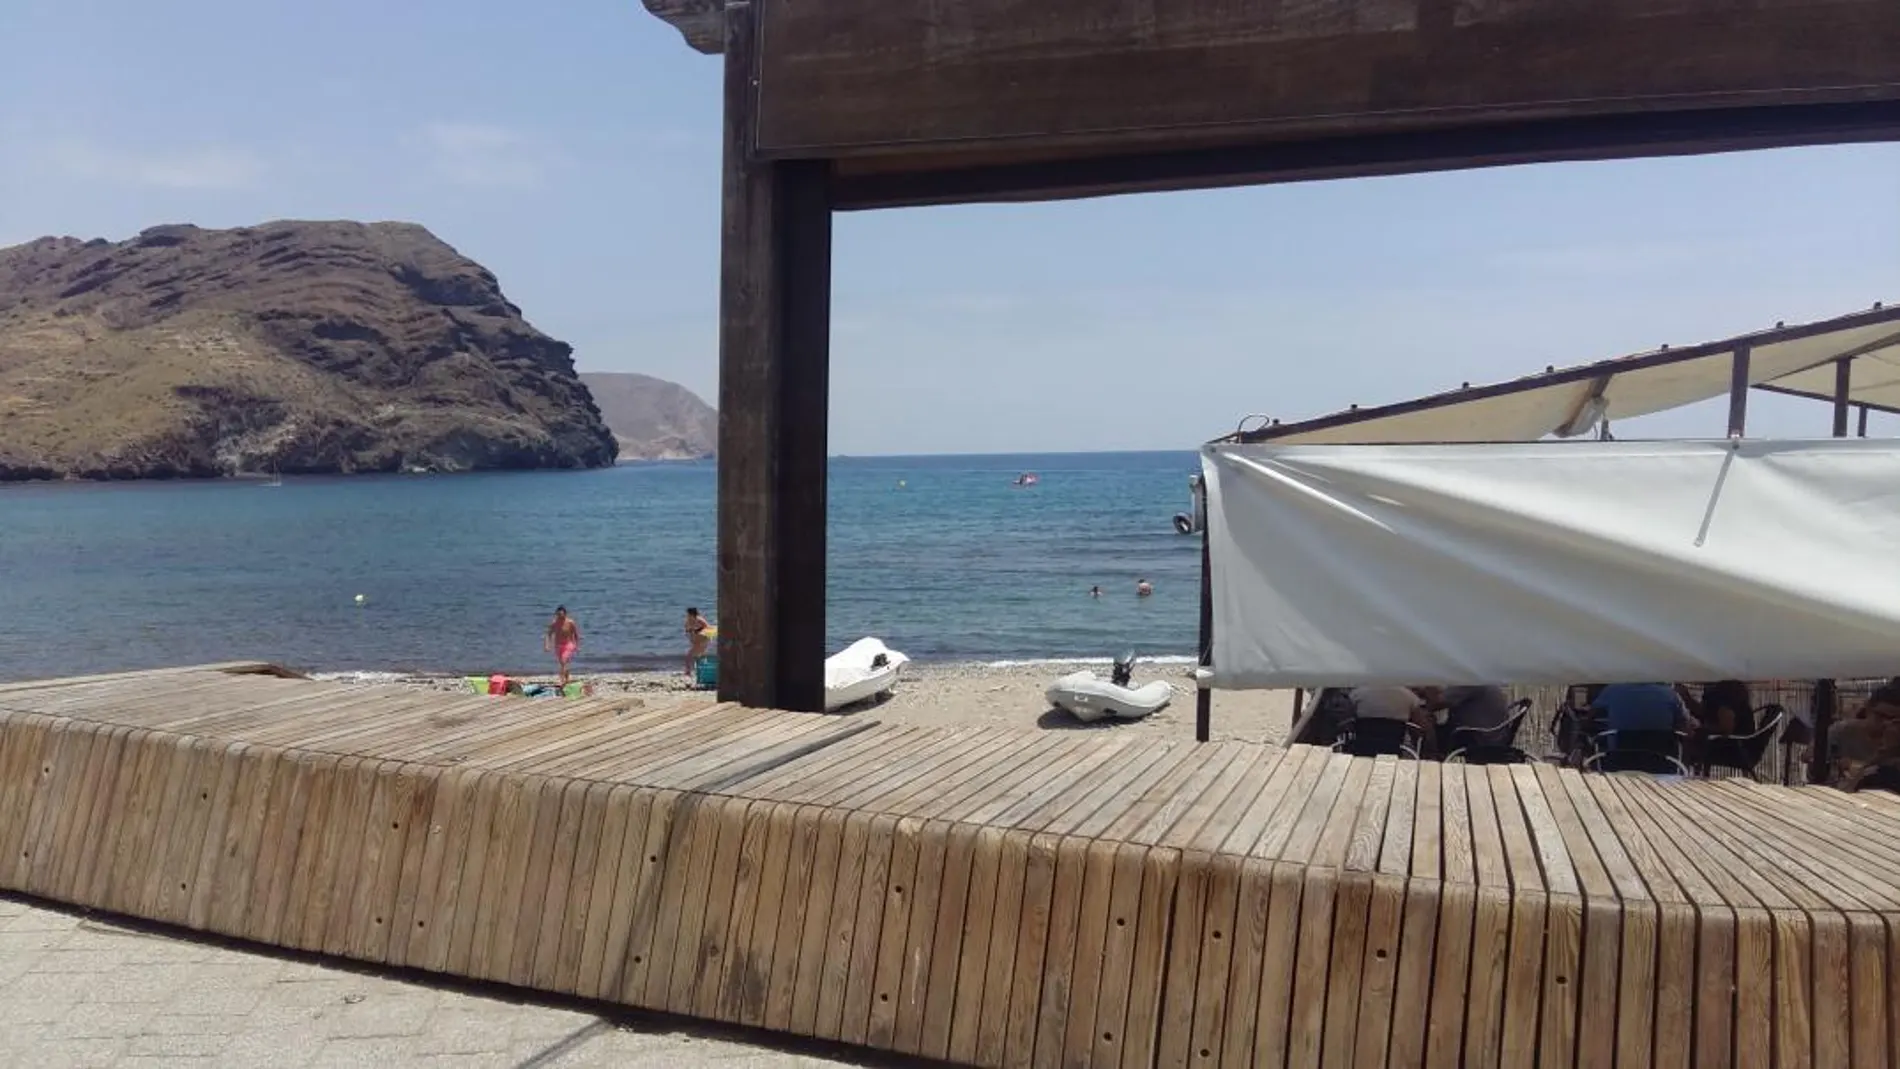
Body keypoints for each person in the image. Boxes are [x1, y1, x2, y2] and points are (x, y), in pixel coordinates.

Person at [1589, 683, 1699, 734]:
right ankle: (1688, 774)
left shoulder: (1613, 690)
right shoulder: (1670, 694)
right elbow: (1686, 725)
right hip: (1663, 759)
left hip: (1618, 756)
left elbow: (1592, 715)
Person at [544, 606, 581, 687]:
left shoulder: (570, 622)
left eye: (561, 615)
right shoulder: (554, 623)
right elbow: (548, 634)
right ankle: (567, 680)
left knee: (564, 661)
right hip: (558, 646)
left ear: (565, 614)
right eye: (558, 615)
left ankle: (562, 681)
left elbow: (576, 634)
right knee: (563, 663)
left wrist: (577, 646)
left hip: (568, 645)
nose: (560, 617)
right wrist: (547, 645)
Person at [684, 607, 711, 676]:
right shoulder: (688, 621)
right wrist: (690, 632)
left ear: (692, 614)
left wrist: (697, 630)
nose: (687, 615)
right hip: (696, 641)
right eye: (687, 614)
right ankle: (703, 671)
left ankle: (688, 672)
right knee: (699, 656)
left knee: (689, 656)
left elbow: (708, 628)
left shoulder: (699, 620)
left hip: (703, 640)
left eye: (688, 614)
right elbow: (687, 631)